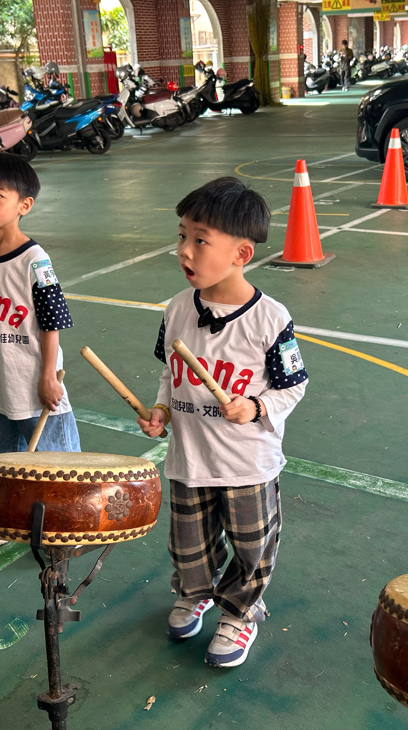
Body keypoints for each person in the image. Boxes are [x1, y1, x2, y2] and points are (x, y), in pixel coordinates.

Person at [138, 177, 308, 668]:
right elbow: (169, 376)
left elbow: (293, 386)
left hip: (246, 464)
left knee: (252, 545)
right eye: (182, 236)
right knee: (188, 544)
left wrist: (254, 407)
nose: (183, 250)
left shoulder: (270, 319)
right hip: (189, 459)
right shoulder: (177, 308)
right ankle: (195, 593)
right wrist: (162, 409)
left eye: (200, 240)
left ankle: (240, 612)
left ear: (241, 254)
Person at [0, 152, 80, 546]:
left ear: (24, 205)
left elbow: (52, 321)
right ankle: (3, 520)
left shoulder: (35, 260)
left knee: (55, 458)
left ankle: (70, 523)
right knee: (0, 457)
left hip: (33, 379)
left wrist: (48, 375)